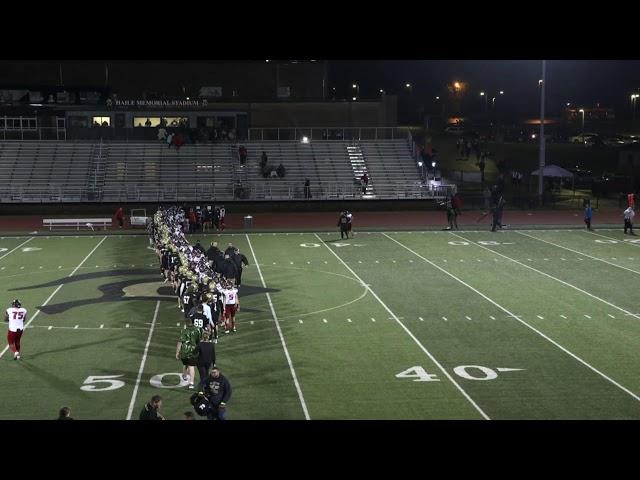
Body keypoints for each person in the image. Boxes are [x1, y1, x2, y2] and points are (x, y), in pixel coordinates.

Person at [176, 317, 202, 389]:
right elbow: (200, 340)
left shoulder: (184, 331)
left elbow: (180, 342)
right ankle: (191, 383)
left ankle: (184, 376)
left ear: (186, 324)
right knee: (191, 366)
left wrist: (177, 352)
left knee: (185, 364)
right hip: (194, 351)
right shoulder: (198, 329)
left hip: (185, 351)